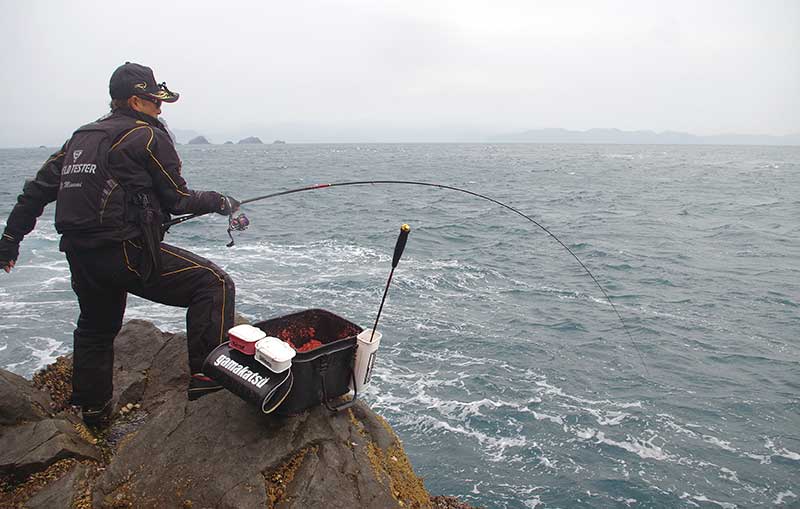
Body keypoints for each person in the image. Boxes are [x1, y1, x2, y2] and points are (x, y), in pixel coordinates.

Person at [0, 62, 238, 426]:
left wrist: (10, 241)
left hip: (81, 256)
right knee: (214, 284)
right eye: (155, 101)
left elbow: (35, 192)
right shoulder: (147, 135)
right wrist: (219, 202)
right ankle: (207, 382)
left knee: (96, 327)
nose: (161, 108)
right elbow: (177, 198)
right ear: (134, 101)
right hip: (126, 253)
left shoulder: (81, 138)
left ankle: (94, 411)